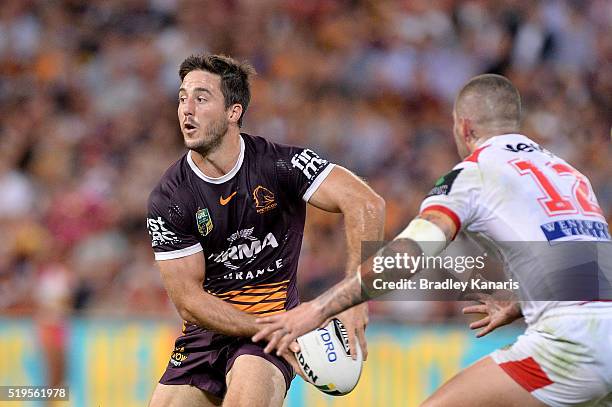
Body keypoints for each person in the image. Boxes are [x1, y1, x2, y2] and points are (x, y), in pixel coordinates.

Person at [253, 74, 612, 406]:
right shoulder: (569, 174)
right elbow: (592, 263)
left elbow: (408, 255)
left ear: (464, 126)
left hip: (573, 344)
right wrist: (524, 300)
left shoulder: (475, 173)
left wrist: (320, 308)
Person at [145, 54, 385, 407]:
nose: (186, 110)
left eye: (201, 98)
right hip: (209, 335)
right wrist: (268, 327)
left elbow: (367, 204)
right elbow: (189, 301)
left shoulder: (279, 165)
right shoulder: (170, 197)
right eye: (182, 98)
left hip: (269, 339)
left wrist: (355, 294)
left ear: (233, 112)